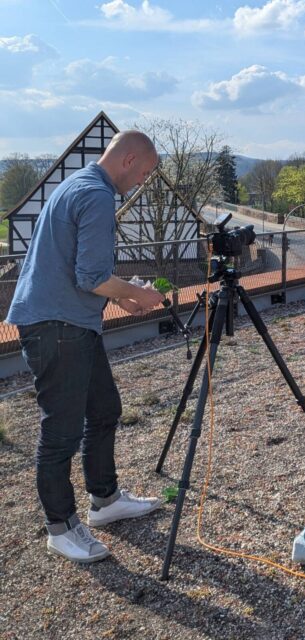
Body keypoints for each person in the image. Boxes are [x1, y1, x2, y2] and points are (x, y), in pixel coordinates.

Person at [6, 130, 167, 564]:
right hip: (58, 327)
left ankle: (105, 499)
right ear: (129, 160)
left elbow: (78, 269)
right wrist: (139, 293)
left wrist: (124, 297)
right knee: (61, 432)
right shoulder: (97, 196)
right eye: (145, 173)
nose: (142, 182)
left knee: (104, 409)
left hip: (69, 322)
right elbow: (91, 276)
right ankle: (60, 528)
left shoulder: (75, 184)